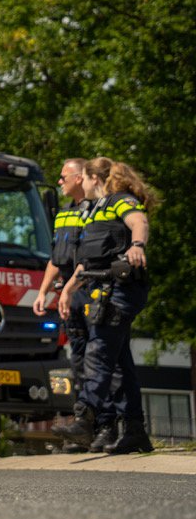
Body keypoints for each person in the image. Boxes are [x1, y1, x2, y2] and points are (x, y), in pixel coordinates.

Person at [53, 157, 157, 454]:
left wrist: (137, 246)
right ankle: (135, 430)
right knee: (119, 361)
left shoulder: (119, 202)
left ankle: (85, 420)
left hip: (121, 290)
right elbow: (87, 261)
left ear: (93, 179)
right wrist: (69, 289)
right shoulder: (93, 212)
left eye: (83, 178)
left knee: (98, 354)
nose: (81, 185)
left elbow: (139, 221)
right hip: (98, 288)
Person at [33, 158, 99, 451]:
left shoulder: (96, 210)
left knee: (99, 361)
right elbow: (56, 259)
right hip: (67, 297)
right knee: (78, 363)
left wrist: (71, 288)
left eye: (63, 177)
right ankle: (84, 429)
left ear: (80, 177)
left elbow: (91, 258)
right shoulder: (63, 215)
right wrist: (42, 291)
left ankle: (103, 426)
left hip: (89, 292)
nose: (59, 182)